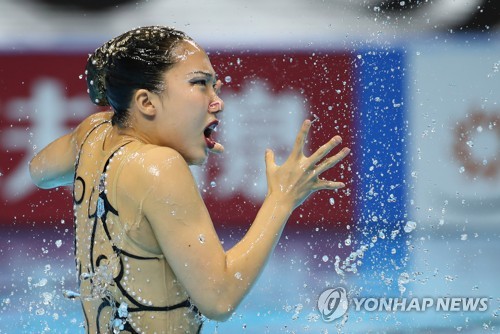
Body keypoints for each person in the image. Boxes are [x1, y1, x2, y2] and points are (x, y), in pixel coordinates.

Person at [29, 25, 351, 334]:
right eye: (200, 84)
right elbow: (220, 298)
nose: (217, 101)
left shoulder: (92, 135)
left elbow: (38, 172)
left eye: (214, 86)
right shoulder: (159, 166)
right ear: (146, 102)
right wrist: (281, 200)